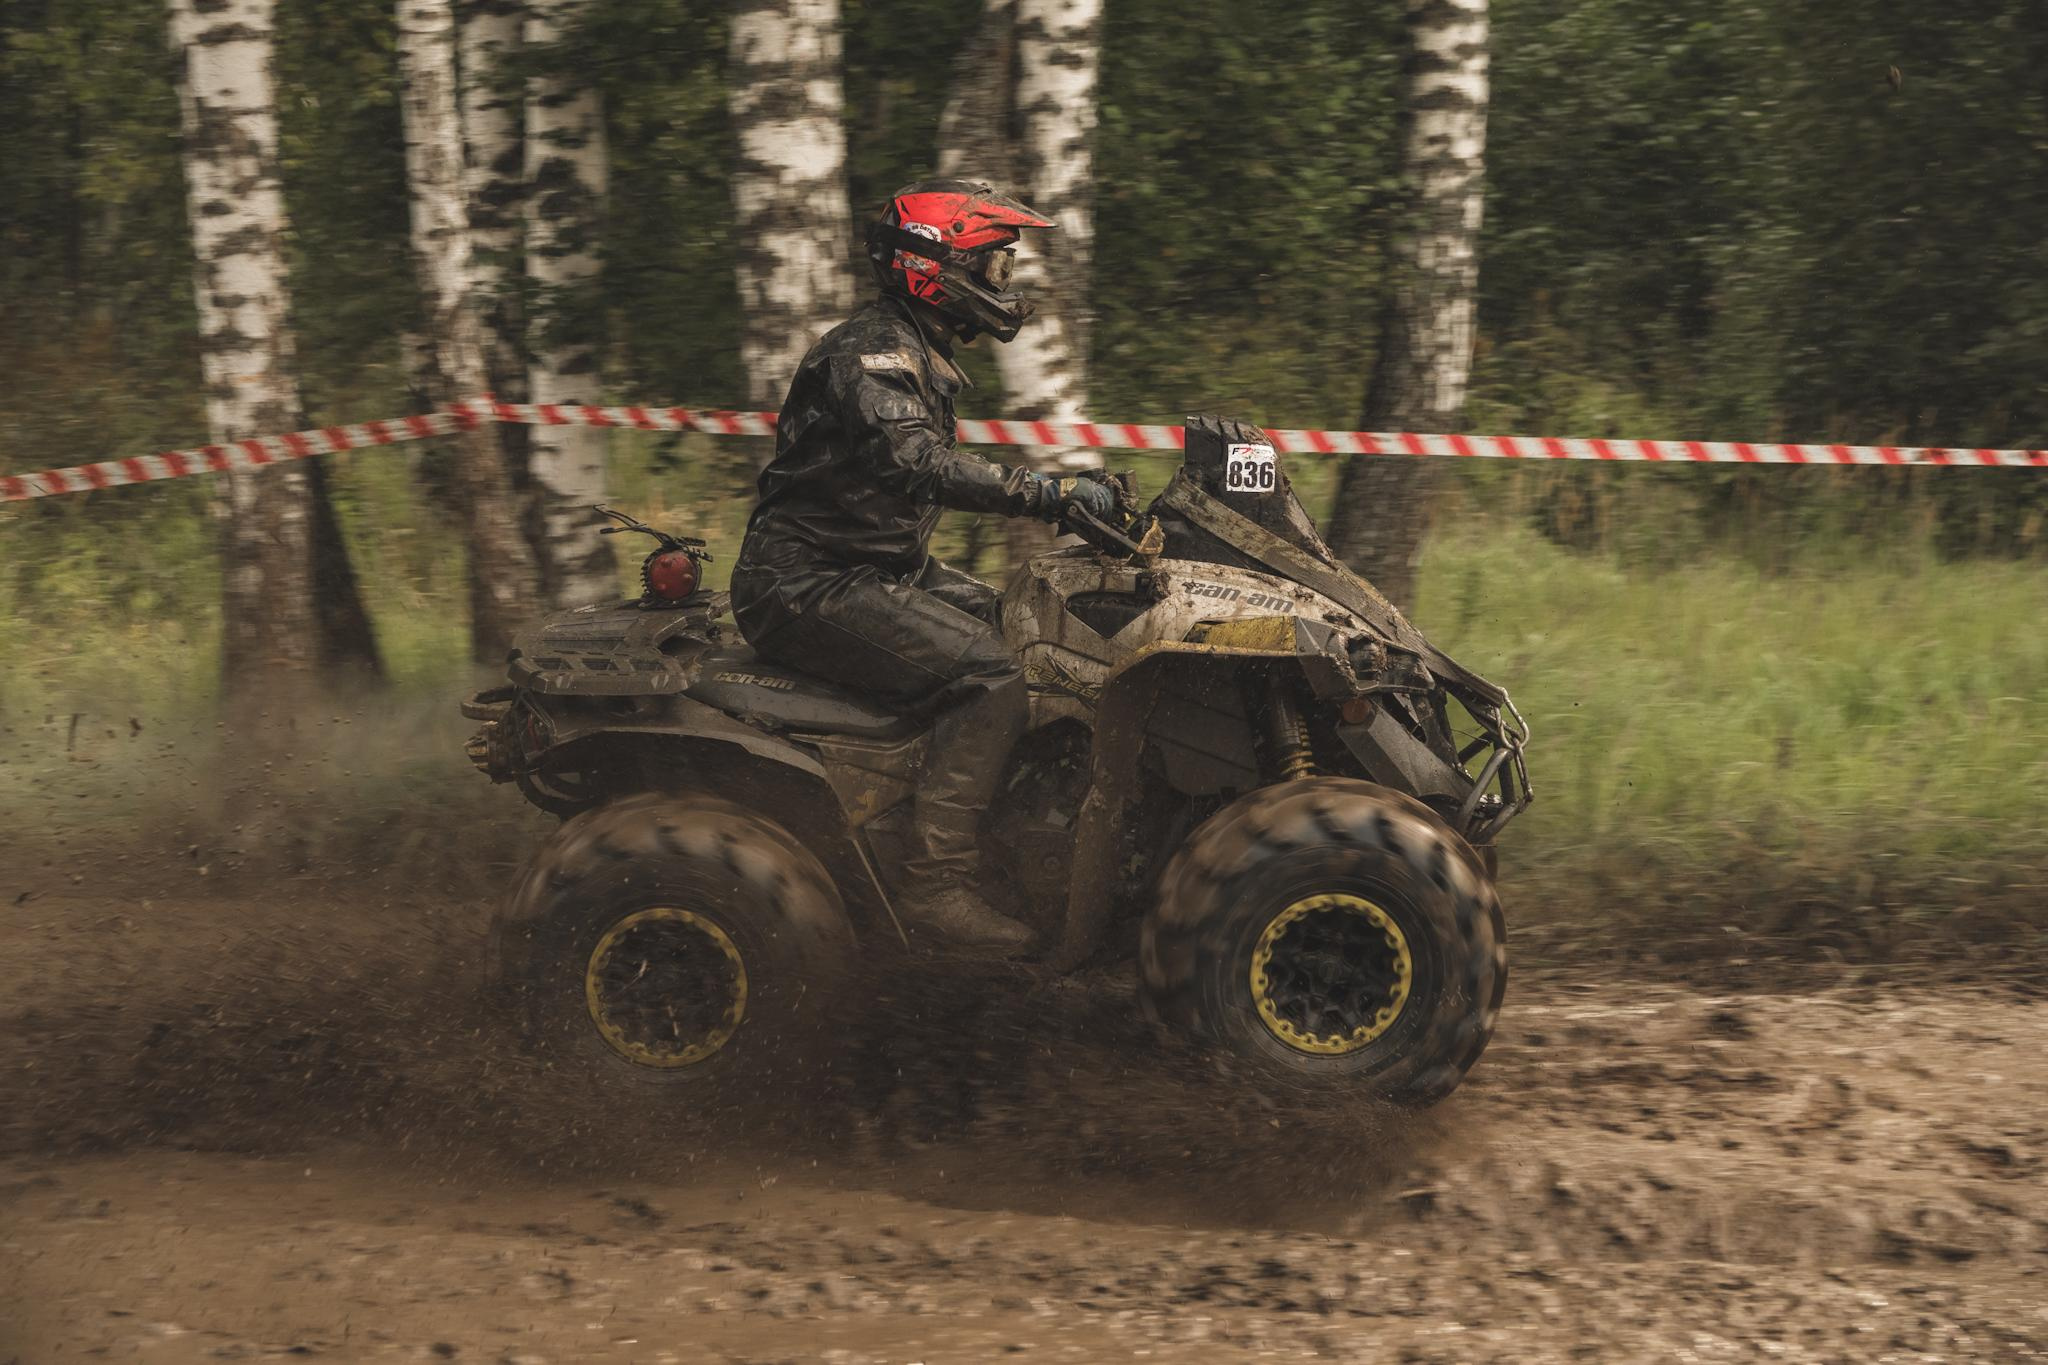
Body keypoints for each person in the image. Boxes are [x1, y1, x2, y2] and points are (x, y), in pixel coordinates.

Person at [728, 179, 1117, 952]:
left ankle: (1017, 839)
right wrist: (1050, 493)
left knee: (1031, 631)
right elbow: (917, 463)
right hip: (811, 583)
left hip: (873, 567)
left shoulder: (909, 347)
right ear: (933, 269)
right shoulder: (870, 354)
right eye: (993, 265)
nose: (1003, 283)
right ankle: (937, 883)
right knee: (993, 674)